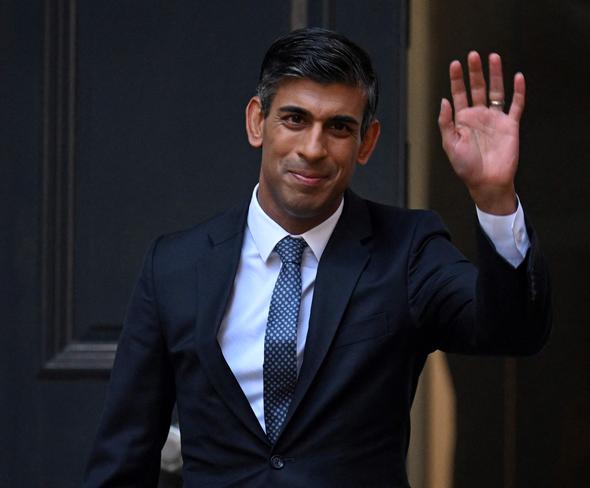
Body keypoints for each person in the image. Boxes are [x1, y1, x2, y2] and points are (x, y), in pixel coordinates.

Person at [83, 27, 550, 487]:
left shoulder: (407, 250)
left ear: (366, 143)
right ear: (255, 122)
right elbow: (126, 456)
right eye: (294, 119)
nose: (313, 148)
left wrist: (494, 197)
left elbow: (511, 330)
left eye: (340, 128)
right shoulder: (174, 266)